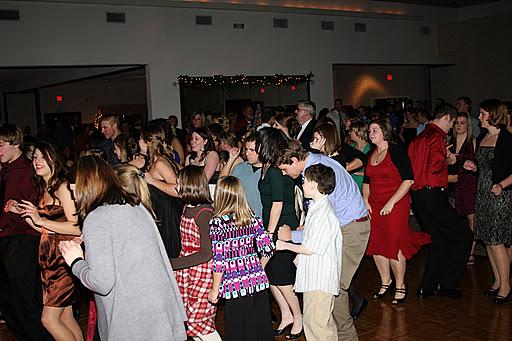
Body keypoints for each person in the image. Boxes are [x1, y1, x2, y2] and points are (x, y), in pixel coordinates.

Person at [58, 155, 187, 341]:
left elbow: (102, 283)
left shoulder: (97, 218)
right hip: (160, 312)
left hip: (133, 321)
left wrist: (76, 261)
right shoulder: (134, 205)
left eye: (74, 190)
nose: (74, 197)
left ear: (85, 186)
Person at [275, 139, 369, 341]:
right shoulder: (313, 164)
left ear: (293, 160)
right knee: (330, 296)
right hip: (347, 225)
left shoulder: (317, 173)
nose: (284, 174)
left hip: (351, 227)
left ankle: (346, 337)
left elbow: (326, 226)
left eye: (284, 169)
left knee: (335, 290)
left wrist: (291, 235)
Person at [8, 143, 83, 341]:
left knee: (49, 320)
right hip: (49, 258)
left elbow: (76, 227)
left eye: (43, 157)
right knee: (66, 316)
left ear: (54, 160)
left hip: (62, 259)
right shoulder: (45, 189)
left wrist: (40, 219)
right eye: (34, 157)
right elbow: (45, 228)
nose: (37, 161)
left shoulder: (62, 187)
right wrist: (25, 215)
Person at [408, 104, 473, 299]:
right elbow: (435, 166)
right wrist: (449, 161)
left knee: (439, 240)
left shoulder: (419, 138)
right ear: (446, 117)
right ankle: (447, 285)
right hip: (432, 196)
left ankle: (426, 287)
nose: (452, 127)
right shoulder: (436, 137)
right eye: (452, 122)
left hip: (418, 198)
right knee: (464, 236)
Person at [363, 119, 430, 305]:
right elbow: (367, 182)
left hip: (396, 203)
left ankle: (400, 285)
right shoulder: (371, 153)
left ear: (384, 132)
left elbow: (408, 180)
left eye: (375, 130)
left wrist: (391, 203)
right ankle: (386, 282)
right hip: (375, 204)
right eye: (369, 130)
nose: (371, 133)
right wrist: (365, 200)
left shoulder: (396, 152)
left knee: (394, 242)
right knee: (376, 243)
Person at [276, 164, 342, 341]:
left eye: (305, 181)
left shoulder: (324, 213)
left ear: (314, 184)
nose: (302, 184)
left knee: (317, 326)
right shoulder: (316, 207)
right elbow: (311, 239)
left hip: (320, 280)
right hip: (314, 278)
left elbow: (311, 248)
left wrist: (285, 245)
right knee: (319, 325)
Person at [208, 176, 275, 341]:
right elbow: (268, 248)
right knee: (260, 331)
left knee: (239, 332)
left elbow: (219, 260)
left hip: (235, 286)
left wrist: (215, 289)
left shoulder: (218, 223)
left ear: (220, 196)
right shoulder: (251, 217)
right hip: (257, 282)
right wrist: (257, 267)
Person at [0, 124, 48, 341]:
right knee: (8, 298)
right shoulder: (6, 169)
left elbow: (35, 209)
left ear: (15, 143)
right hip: (7, 237)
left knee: (24, 299)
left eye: (1, 145)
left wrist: (12, 212)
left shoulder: (27, 170)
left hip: (23, 238)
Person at [463, 99, 512, 304]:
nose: (480, 117)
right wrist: (473, 167)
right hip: (483, 192)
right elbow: (482, 166)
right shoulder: (483, 136)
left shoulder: (507, 139)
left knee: (496, 239)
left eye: (483, 113)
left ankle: (506, 284)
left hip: (500, 195)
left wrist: (502, 185)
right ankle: (498, 280)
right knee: (487, 238)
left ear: (493, 115)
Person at [256, 128, 302, 339]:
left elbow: (277, 204)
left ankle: (299, 318)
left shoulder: (275, 169)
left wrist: (269, 233)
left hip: (280, 225)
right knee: (271, 275)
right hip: (272, 224)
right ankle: (286, 315)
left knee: (282, 277)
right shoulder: (268, 166)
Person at [170, 166, 221, 341]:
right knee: (191, 320)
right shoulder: (187, 207)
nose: (176, 185)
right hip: (188, 271)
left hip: (202, 272)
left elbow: (207, 253)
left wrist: (174, 264)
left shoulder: (204, 213)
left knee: (200, 321)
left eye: (179, 182)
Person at [138, 125, 183, 258]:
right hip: (160, 214)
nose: (138, 142)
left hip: (168, 214)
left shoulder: (160, 163)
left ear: (148, 142)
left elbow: (178, 190)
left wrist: (153, 181)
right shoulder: (152, 161)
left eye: (141, 139)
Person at [449, 112, 478, 266]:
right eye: (457, 123)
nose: (459, 126)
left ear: (468, 125)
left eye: (462, 123)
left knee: (471, 218)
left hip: (469, 183)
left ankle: (471, 250)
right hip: (453, 184)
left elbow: (478, 165)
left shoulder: (472, 141)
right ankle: (459, 247)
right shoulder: (449, 141)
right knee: (455, 218)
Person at [230, 132, 263, 218]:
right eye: (246, 149)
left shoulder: (270, 172)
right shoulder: (239, 169)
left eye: (252, 150)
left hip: (263, 223)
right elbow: (224, 186)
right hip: (241, 221)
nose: (247, 153)